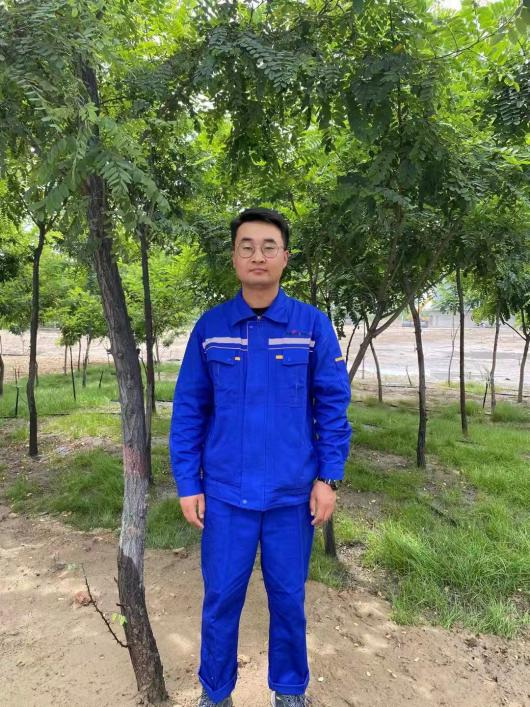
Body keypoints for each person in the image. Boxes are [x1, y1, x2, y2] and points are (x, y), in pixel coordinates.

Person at [169, 207, 352, 707]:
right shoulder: (211, 328)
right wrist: (188, 482)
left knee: (289, 599)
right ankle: (215, 692)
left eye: (269, 247)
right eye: (246, 246)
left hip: (292, 496)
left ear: (285, 258)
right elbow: (189, 409)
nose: (258, 256)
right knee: (221, 598)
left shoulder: (310, 326)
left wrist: (328, 478)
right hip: (226, 495)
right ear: (233, 258)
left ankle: (289, 690)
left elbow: (333, 405)